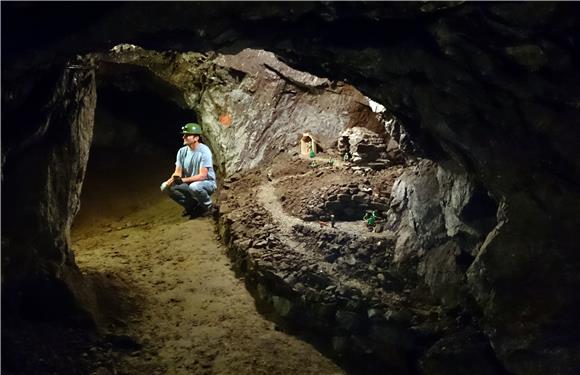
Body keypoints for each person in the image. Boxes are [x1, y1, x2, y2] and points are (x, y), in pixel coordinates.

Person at [161, 122, 217, 218]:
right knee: (165, 187)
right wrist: (173, 179)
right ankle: (192, 206)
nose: (183, 137)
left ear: (196, 138)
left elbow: (202, 176)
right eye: (184, 135)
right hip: (190, 183)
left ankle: (209, 207)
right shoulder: (182, 152)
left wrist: (183, 180)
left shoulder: (204, 151)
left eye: (187, 135)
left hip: (207, 183)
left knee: (194, 187)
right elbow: (177, 171)